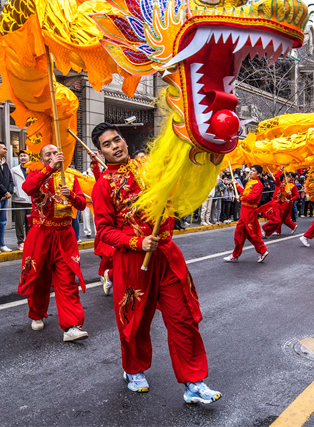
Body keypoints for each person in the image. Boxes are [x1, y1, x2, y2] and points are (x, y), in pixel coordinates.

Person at [91, 123, 221, 404]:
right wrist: (137, 243)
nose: (115, 146)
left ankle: (194, 382)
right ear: (100, 152)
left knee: (183, 317)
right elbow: (103, 230)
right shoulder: (103, 185)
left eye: (117, 140)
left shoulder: (149, 167)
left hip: (166, 256)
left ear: (124, 141)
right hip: (133, 263)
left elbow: (179, 174)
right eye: (107, 144)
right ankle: (134, 370)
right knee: (135, 322)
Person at [19, 143, 88, 342]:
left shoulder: (72, 177)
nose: (52, 156)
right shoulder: (36, 175)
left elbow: (82, 204)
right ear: (41, 159)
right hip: (41, 234)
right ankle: (37, 313)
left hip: (65, 235)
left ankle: (72, 325)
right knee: (38, 278)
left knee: (67, 278)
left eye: (55, 153)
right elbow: (28, 189)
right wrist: (50, 170)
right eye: (47, 154)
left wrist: (72, 195)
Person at [225, 165, 269, 263]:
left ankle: (262, 250)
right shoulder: (250, 182)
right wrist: (236, 184)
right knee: (240, 233)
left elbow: (252, 197)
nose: (251, 172)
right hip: (245, 211)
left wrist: (240, 198)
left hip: (249, 212)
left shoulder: (258, 184)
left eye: (253, 171)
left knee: (251, 234)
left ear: (258, 174)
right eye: (251, 170)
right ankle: (235, 255)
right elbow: (245, 193)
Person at [11, 150, 32, 251]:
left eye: (25, 156)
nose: (23, 158)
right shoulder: (14, 170)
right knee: (19, 222)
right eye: (21, 156)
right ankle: (20, 242)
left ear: (29, 157)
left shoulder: (33, 169)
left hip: (31, 200)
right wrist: (16, 191)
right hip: (19, 200)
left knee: (30, 223)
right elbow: (11, 183)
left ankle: (29, 241)